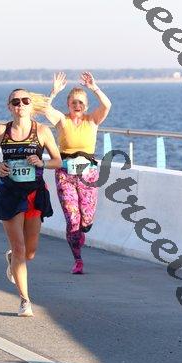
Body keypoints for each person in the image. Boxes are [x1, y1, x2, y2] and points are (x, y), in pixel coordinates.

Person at [0, 88, 62, 317]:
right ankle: (24, 300)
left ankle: (13, 259)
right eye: (15, 101)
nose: (20, 105)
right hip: (9, 192)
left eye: (25, 101)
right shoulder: (1, 131)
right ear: (9, 106)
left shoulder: (42, 131)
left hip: (34, 193)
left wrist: (42, 162)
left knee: (29, 253)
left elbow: (58, 161)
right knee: (19, 247)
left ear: (30, 105)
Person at [43, 71, 112, 274]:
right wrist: (54, 91)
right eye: (74, 102)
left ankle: (85, 227)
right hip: (65, 174)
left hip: (88, 176)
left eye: (81, 102)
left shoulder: (92, 120)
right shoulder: (61, 120)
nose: (77, 105)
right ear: (68, 104)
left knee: (86, 219)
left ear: (86, 106)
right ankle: (78, 259)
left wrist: (94, 87)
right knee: (73, 219)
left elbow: (107, 105)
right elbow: (45, 108)